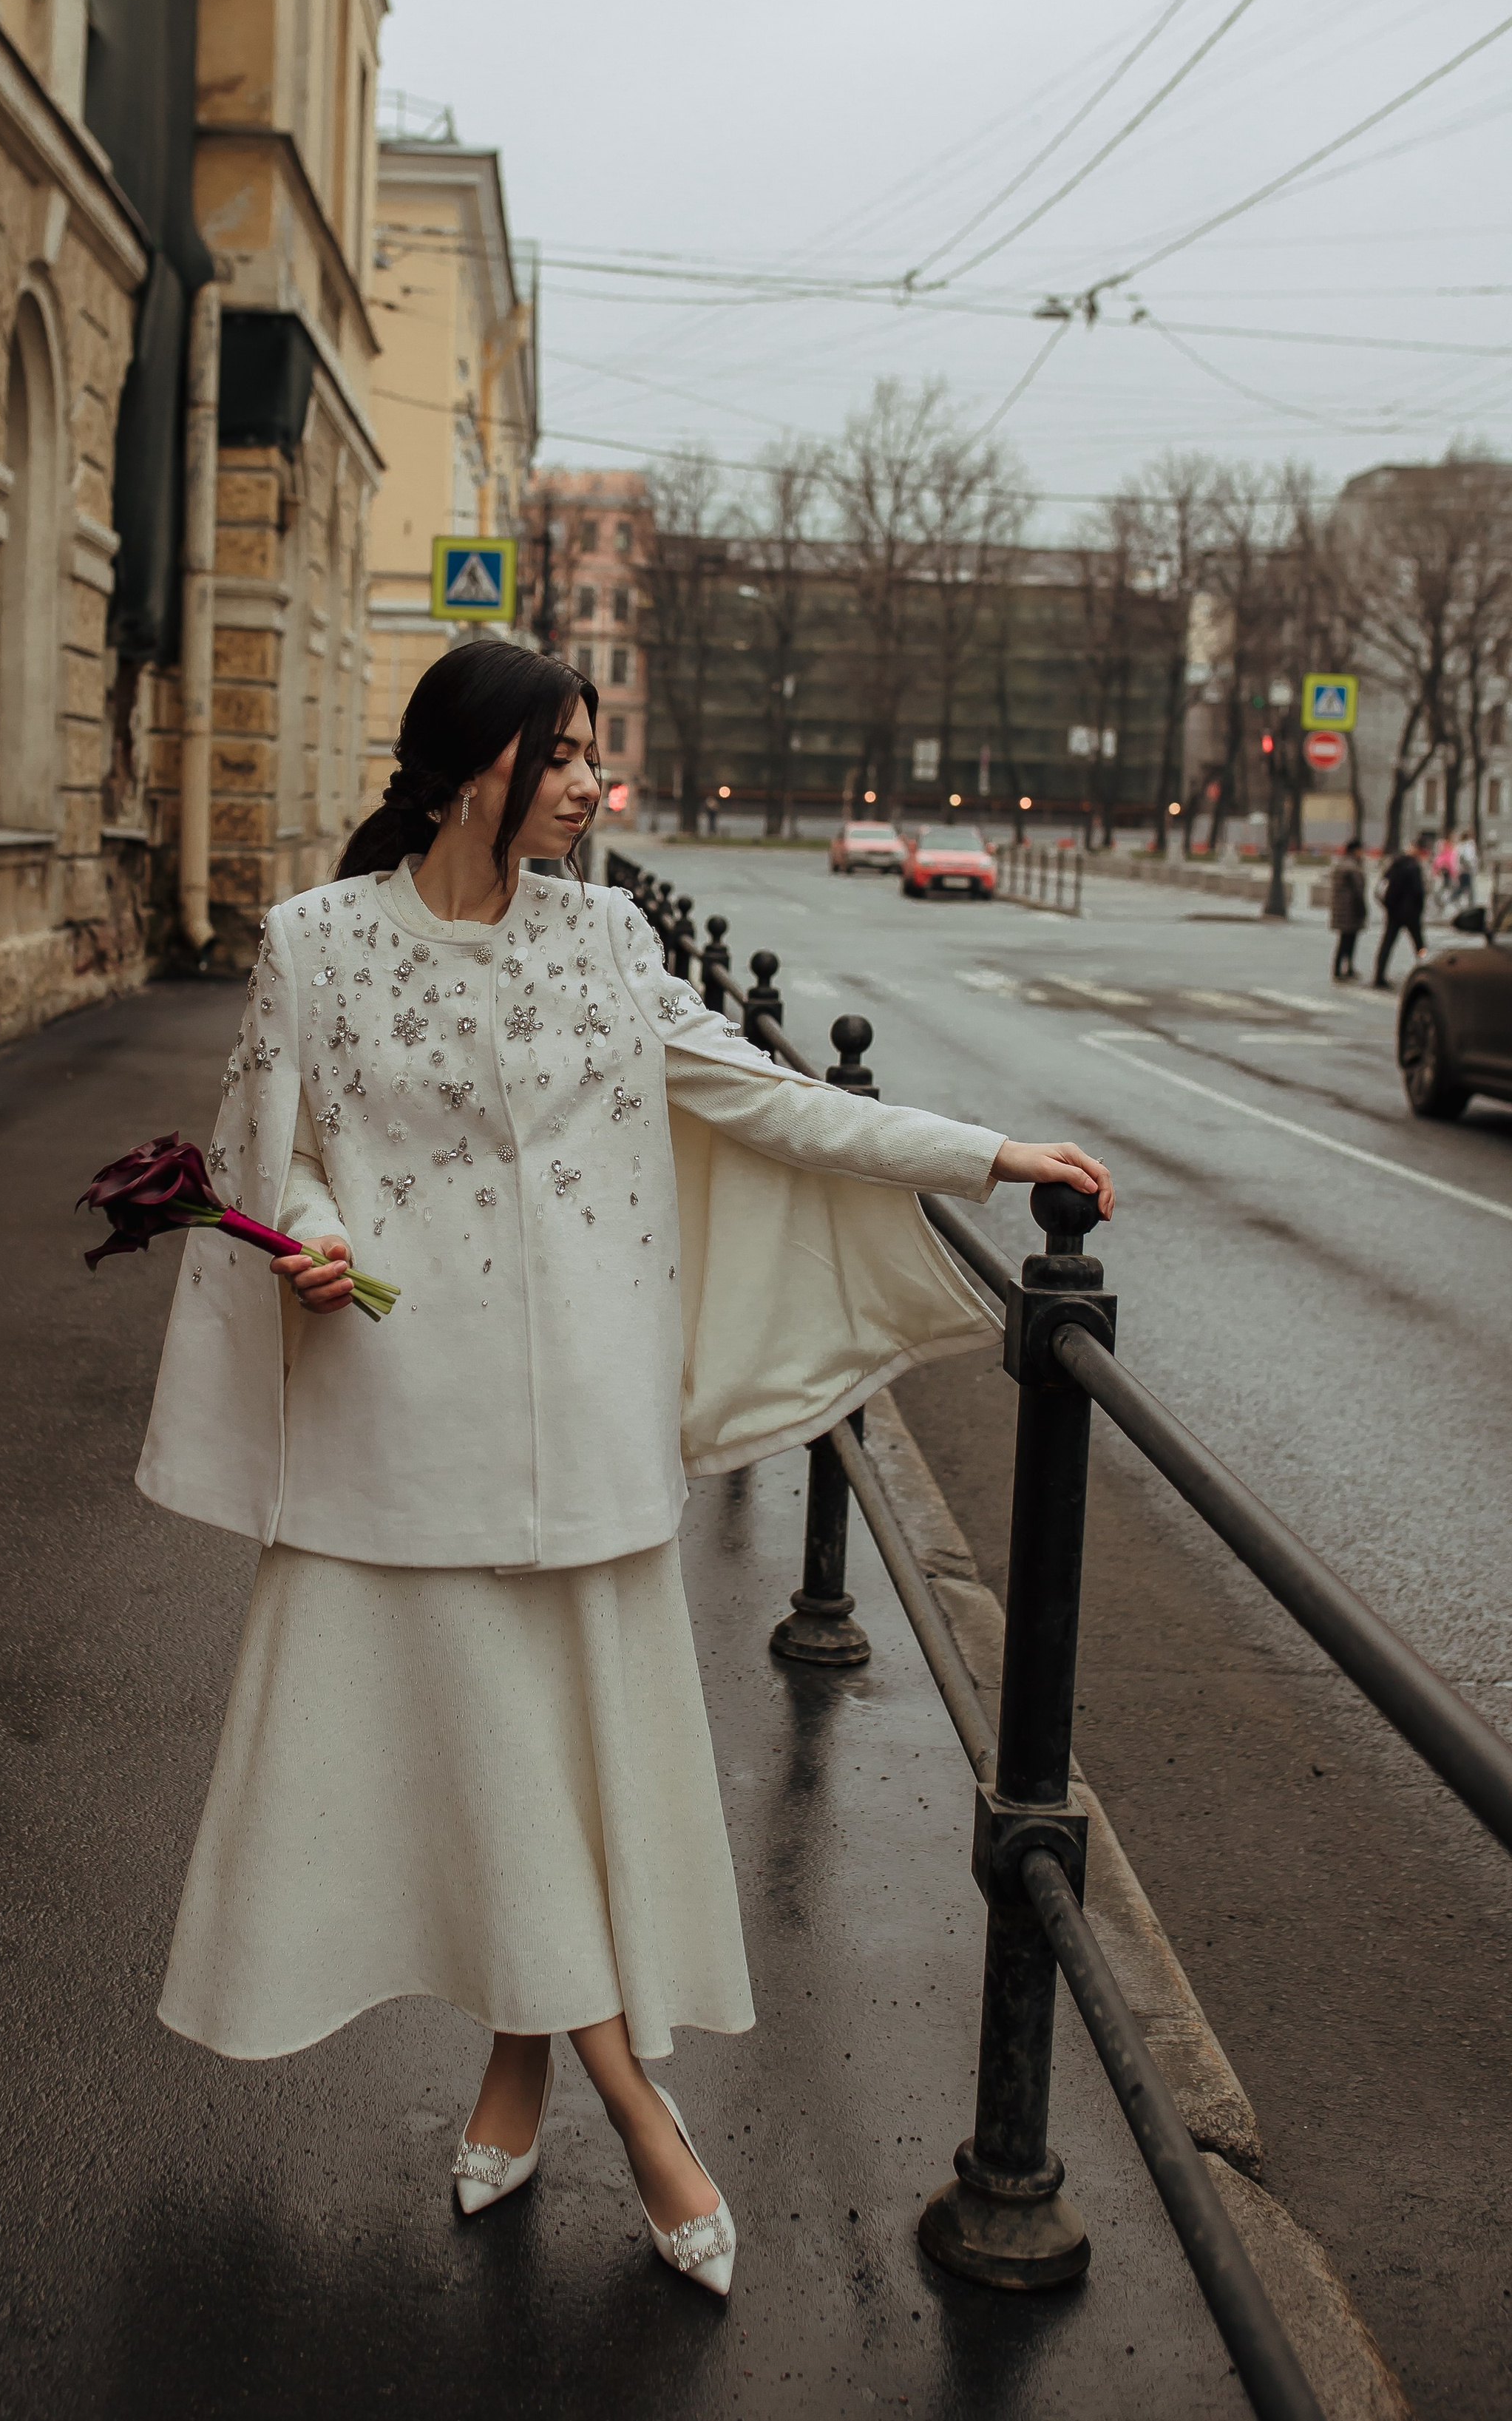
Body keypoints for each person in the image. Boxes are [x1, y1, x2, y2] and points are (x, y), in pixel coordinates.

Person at [134, 639, 1113, 2299]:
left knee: (544, 1772)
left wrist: (984, 1153)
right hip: (399, 1443)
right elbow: (271, 1152)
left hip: (587, 1442)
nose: (597, 784)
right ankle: (642, 2115)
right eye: (569, 755)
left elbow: (769, 1100)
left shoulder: (608, 937)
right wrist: (308, 1237)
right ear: (471, 767)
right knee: (511, 1771)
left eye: (594, 754)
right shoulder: (313, 945)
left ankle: (517, 2083)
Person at [1373, 842, 1427, 989]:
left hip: (1394, 912)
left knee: (1387, 944)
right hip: (1411, 913)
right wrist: (1420, 908)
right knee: (1419, 944)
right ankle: (1425, 969)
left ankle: (1379, 975)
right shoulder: (1414, 867)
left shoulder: (1394, 865)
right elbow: (1418, 891)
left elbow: (1383, 886)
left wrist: (1388, 906)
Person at [1328, 836, 1367, 980]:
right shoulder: (1353, 867)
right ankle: (1344, 969)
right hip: (1352, 909)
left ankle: (1341, 968)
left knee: (1344, 940)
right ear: (1356, 850)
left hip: (1341, 909)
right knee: (1348, 941)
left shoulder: (1341, 864)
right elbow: (1358, 891)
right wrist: (1363, 909)